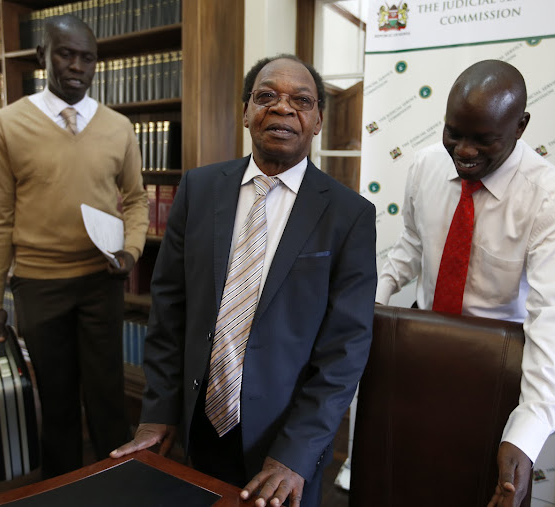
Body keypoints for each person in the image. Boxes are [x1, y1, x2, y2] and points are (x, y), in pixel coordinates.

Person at [110, 54, 377, 507]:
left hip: (283, 444)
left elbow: (345, 350)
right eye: (266, 95)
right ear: (246, 111)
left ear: (317, 121)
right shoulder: (198, 189)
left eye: (301, 100)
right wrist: (158, 412)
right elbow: (170, 310)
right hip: (198, 425)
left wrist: (295, 453)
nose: (282, 108)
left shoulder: (349, 215)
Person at [376, 59, 555, 507]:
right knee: (406, 479)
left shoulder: (554, 201)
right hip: (421, 350)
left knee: (480, 489)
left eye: (483, 138)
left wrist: (527, 432)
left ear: (521, 126)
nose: (464, 150)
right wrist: (368, 310)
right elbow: (411, 246)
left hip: (500, 371)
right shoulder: (425, 167)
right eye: (454, 132)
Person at [0, 15, 149, 478]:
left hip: (101, 283)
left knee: (108, 397)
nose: (76, 66)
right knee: (55, 399)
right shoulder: (7, 124)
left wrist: (131, 251)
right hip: (38, 285)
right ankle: (63, 490)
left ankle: (117, 484)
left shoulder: (118, 127)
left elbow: (136, 201)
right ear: (43, 57)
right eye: (65, 54)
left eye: (86, 58)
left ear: (97, 65)